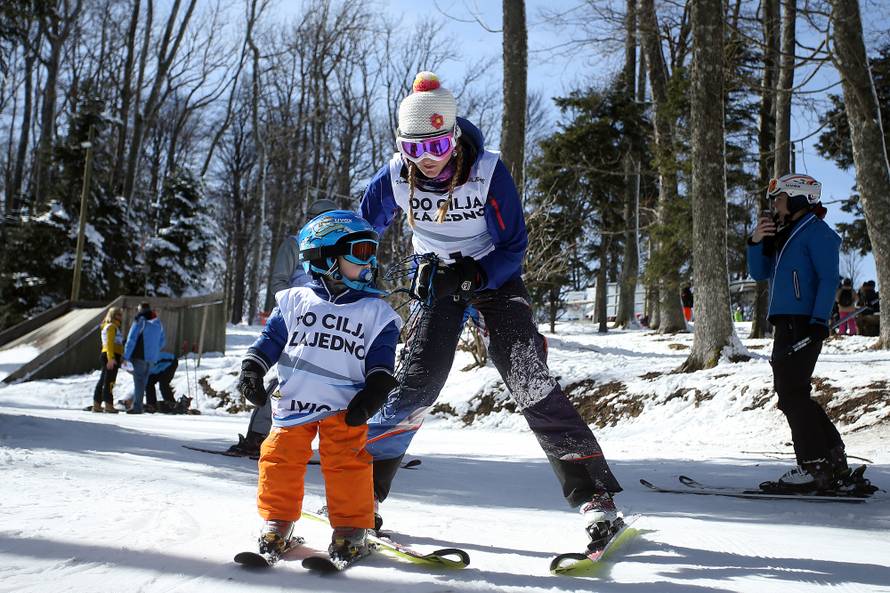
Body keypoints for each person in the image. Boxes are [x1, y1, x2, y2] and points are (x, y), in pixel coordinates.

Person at [360, 71, 623, 546]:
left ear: (454, 136)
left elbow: (514, 244)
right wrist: (351, 270)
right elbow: (362, 229)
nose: (429, 161)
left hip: (491, 272)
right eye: (415, 149)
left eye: (437, 146)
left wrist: (476, 276)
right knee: (415, 383)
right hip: (435, 277)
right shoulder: (395, 174)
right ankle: (361, 494)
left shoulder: (487, 170)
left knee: (527, 376)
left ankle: (595, 496)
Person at [236, 210, 401, 561]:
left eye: (372, 252)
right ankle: (277, 522)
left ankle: (351, 529)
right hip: (294, 404)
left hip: (345, 408)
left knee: (347, 465)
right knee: (278, 461)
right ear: (325, 256)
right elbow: (270, 340)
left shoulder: (377, 313)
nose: (370, 261)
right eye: (359, 252)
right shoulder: (295, 301)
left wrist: (374, 393)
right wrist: (252, 368)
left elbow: (382, 363)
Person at [747, 173, 849, 491]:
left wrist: (819, 321)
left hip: (803, 322)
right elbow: (759, 272)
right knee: (794, 393)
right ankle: (830, 458)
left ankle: (813, 464)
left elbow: (828, 278)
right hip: (785, 322)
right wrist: (756, 241)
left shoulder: (817, 233)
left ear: (796, 199)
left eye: (778, 199)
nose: (774, 206)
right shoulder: (784, 233)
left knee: (791, 394)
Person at [227, 198, 339, 456]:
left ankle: (353, 445)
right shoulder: (295, 243)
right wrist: (292, 308)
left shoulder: (338, 248)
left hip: (330, 321)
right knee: (287, 377)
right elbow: (279, 282)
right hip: (297, 318)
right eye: (323, 220)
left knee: (339, 378)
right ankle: (258, 435)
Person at [123, 302, 166, 415]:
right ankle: (138, 405)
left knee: (138, 381)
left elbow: (131, 339)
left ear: (140, 309)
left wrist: (125, 356)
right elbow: (162, 341)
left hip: (139, 356)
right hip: (152, 358)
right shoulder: (158, 322)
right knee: (143, 382)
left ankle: (137, 407)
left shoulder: (140, 321)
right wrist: (154, 351)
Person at [92, 307, 123, 413]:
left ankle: (97, 404)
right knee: (109, 381)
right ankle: (108, 405)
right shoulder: (111, 327)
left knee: (104, 380)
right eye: (118, 314)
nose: (121, 317)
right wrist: (111, 358)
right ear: (113, 315)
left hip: (111, 355)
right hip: (111, 355)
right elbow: (109, 344)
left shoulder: (113, 327)